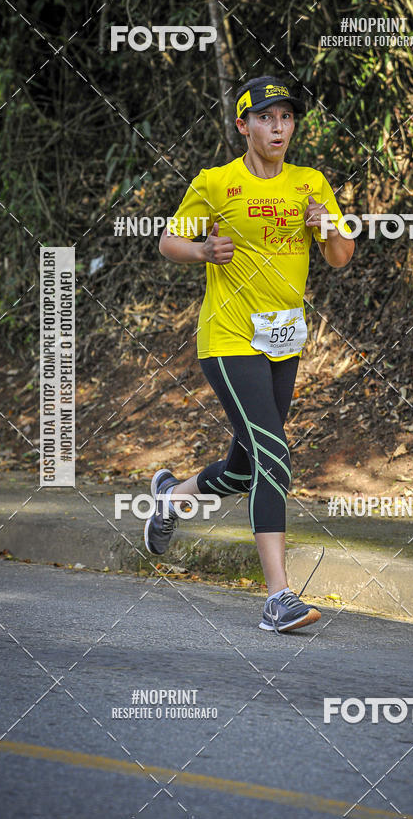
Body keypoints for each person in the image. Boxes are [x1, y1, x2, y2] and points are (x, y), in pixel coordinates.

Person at [145, 75, 354, 633]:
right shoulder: (216, 183)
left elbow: (339, 256)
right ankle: (278, 597)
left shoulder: (310, 183)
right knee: (275, 454)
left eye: (286, 117)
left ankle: (170, 497)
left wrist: (328, 225)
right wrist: (203, 250)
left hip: (283, 339)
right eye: (266, 117)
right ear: (244, 125)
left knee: (245, 468)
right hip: (229, 337)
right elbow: (169, 242)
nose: (279, 126)